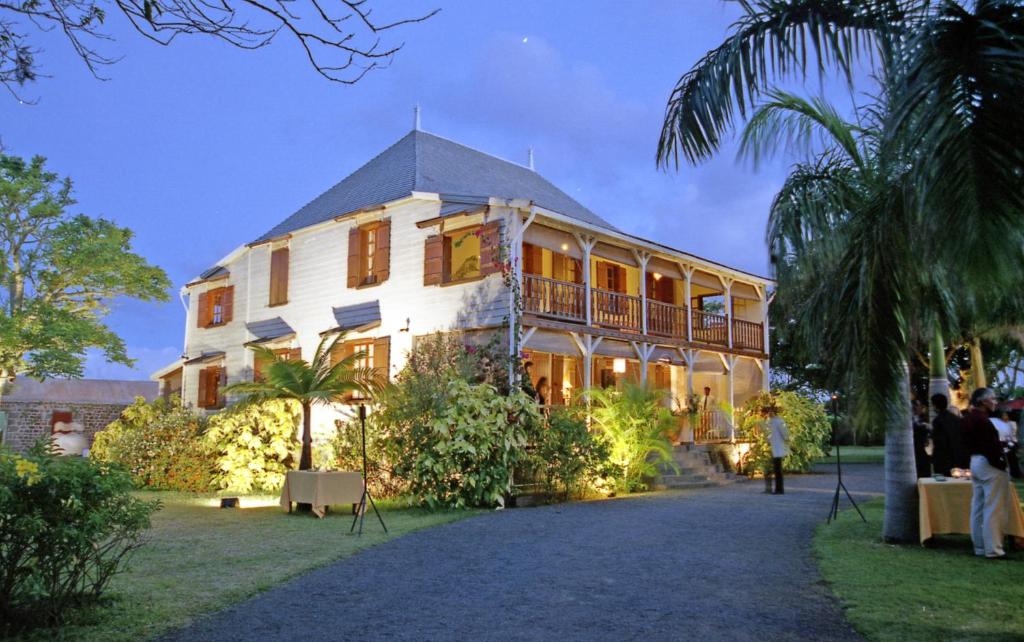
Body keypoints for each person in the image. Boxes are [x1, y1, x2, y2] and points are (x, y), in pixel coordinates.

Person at [963, 388, 1011, 559]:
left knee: (978, 506)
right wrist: (1000, 465)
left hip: (975, 462)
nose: (995, 402)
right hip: (988, 464)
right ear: (984, 401)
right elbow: (991, 445)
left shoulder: (968, 418)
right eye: (992, 399)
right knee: (994, 507)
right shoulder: (983, 421)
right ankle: (994, 549)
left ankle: (980, 546)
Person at [931, 394, 967, 475]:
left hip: (943, 459)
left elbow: (939, 442)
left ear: (935, 405)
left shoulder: (938, 421)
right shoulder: (956, 419)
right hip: (957, 456)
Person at [766, 404, 788, 495]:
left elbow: (784, 433)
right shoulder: (770, 422)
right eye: (769, 412)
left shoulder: (779, 421)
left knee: (778, 469)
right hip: (774, 446)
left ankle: (780, 489)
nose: (769, 413)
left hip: (778, 446)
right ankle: (777, 488)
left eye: (771, 412)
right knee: (776, 469)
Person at [995, 411, 1021, 479]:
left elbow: (1014, 433)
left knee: (1012, 458)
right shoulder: (998, 424)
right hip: (1002, 442)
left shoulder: (1012, 423)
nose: (1005, 417)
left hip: (1011, 442)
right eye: (1003, 415)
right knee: (1004, 458)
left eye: (1006, 415)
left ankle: (1015, 474)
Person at [912, 400, 932, 478]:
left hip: (923, 448)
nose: (919, 408)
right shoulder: (910, 420)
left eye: (918, 406)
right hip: (915, 448)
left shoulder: (923, 418)